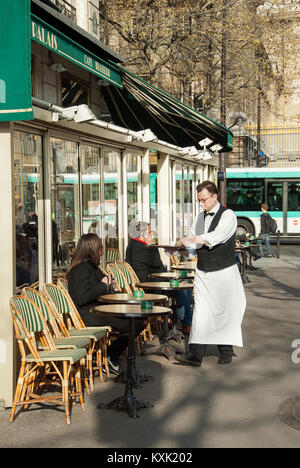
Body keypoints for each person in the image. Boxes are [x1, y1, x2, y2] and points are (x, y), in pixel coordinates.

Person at [174, 180, 246, 366]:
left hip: (224, 272)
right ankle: (195, 355)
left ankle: (226, 351)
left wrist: (191, 239)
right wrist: (185, 249)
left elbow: (216, 237)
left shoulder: (228, 215)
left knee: (224, 311)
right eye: (199, 200)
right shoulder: (200, 217)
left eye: (204, 200)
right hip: (203, 271)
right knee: (201, 312)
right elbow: (195, 242)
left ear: (214, 196)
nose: (201, 204)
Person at [67, 233, 148, 375]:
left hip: (99, 310)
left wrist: (110, 285)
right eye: (100, 247)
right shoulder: (82, 268)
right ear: (94, 249)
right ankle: (112, 355)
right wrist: (104, 285)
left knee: (139, 319)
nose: (103, 250)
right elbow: (82, 297)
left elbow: (101, 286)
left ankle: (113, 356)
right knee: (137, 322)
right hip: (89, 315)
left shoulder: (90, 266)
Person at [125, 220, 193, 333]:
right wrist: (153, 245)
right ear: (142, 234)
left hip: (145, 282)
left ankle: (173, 318)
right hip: (149, 285)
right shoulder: (142, 248)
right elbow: (159, 266)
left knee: (183, 288)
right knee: (182, 289)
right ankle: (185, 323)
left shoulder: (132, 245)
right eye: (149, 232)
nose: (151, 234)